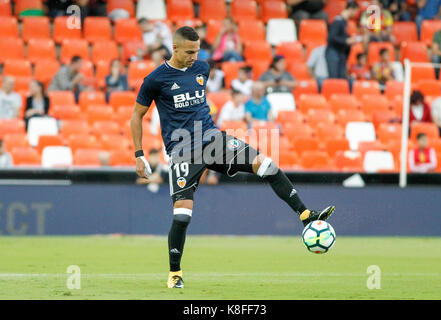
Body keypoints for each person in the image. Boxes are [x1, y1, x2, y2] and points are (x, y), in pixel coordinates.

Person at [131, 26, 335, 289]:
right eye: (190, 52)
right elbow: (136, 115)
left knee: (268, 166)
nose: (195, 56)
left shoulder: (202, 69)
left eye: (197, 51)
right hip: (182, 150)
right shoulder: (155, 80)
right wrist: (139, 154)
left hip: (213, 139)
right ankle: (175, 273)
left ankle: (306, 214)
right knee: (182, 215)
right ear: (176, 48)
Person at [326, 2, 361, 79]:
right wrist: (346, 40)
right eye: (355, 11)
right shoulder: (338, 20)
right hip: (334, 52)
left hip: (341, 53)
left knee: (341, 79)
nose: (356, 14)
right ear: (351, 9)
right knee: (334, 79)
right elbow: (331, 37)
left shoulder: (344, 21)